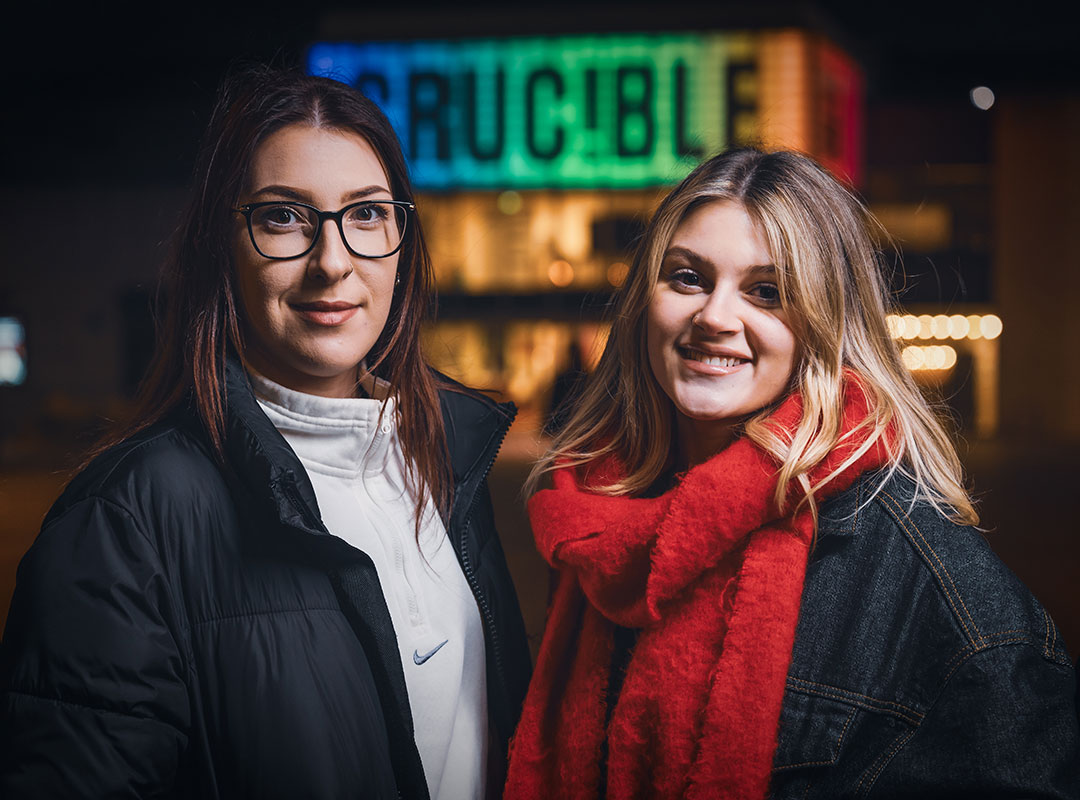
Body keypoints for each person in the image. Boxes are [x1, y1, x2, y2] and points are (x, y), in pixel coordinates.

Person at [0, 66, 531, 799]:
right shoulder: (124, 520)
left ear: (402, 242)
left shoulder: (443, 466)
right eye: (283, 217)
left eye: (367, 214)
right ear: (222, 248)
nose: (333, 262)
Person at [505, 148, 1080, 799]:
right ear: (644, 301)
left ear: (829, 323)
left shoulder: (938, 583)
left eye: (767, 292)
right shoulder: (598, 525)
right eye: (688, 278)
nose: (715, 317)